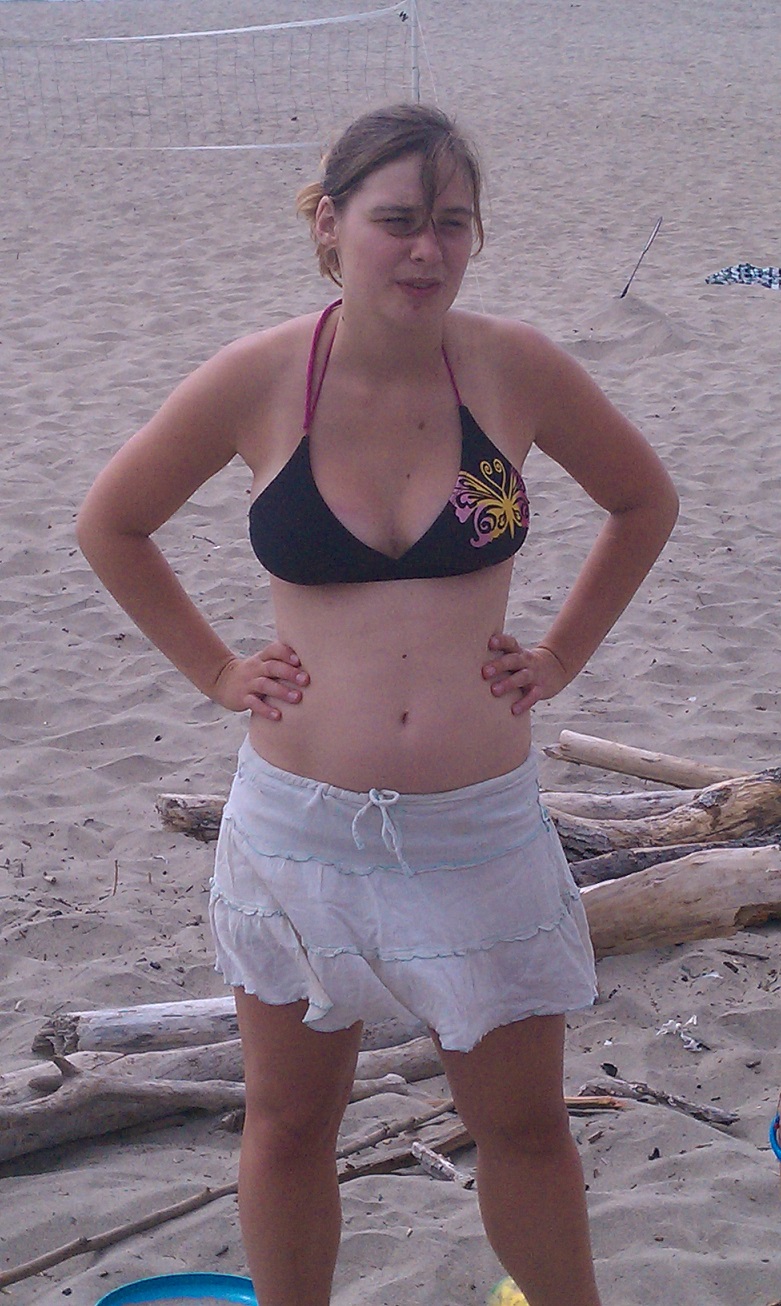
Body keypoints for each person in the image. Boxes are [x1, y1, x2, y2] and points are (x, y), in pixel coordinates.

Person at [77, 103, 678, 1306]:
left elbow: (642, 500)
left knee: (525, 1128)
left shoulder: (513, 368)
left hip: (479, 831)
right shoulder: (260, 378)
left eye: (452, 223)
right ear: (329, 223)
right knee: (291, 1124)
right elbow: (113, 523)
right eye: (396, 219)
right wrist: (216, 671)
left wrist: (559, 654)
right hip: (301, 832)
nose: (425, 250)